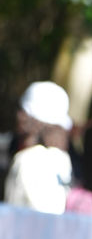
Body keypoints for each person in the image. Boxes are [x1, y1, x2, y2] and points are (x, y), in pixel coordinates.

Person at [3, 81, 73, 214]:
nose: (19, 116)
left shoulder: (29, 161)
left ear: (39, 121)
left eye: (24, 111)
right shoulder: (62, 158)